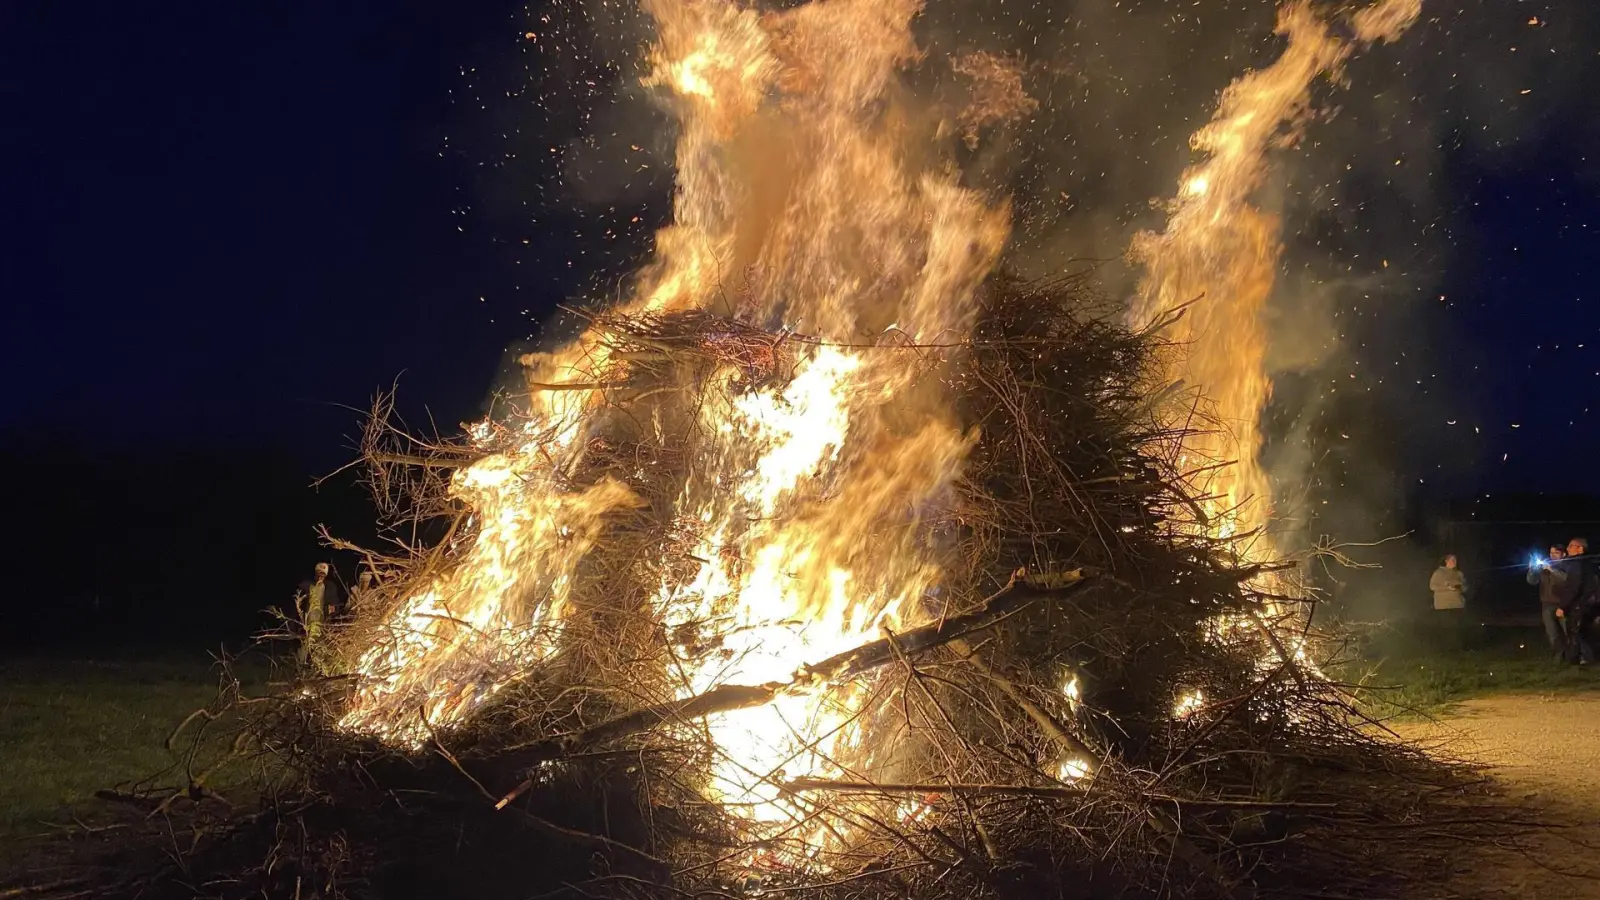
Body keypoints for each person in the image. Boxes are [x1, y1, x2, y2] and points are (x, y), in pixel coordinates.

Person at [294, 562, 344, 666]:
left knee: (320, 645)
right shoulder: (306, 585)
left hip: (322, 622)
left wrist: (334, 609)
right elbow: (297, 602)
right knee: (304, 645)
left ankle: (317, 667)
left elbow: (336, 604)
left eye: (323, 574)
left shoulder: (330, 587)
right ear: (315, 573)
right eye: (319, 573)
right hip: (307, 622)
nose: (320, 576)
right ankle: (300, 667)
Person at [1560, 538, 1599, 665]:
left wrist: (1563, 606)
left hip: (1581, 604)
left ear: (1580, 549)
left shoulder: (1577, 564)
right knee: (1583, 632)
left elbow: (1573, 587)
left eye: (1571, 546)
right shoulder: (1587, 563)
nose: (1568, 548)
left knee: (1577, 632)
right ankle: (1581, 658)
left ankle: (1584, 659)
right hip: (1589, 603)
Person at [1528, 546, 1569, 655]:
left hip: (1564, 604)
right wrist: (1532, 570)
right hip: (1547, 604)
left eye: (1556, 552)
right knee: (1552, 633)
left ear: (1563, 554)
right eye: (1551, 553)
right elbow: (1532, 581)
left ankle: (1574, 655)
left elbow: (1567, 579)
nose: (1552, 555)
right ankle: (1559, 655)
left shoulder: (1567, 566)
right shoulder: (1544, 569)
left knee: (1568, 631)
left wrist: (1552, 569)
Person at [1429, 554, 1468, 648]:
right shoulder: (1439, 573)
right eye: (1451, 559)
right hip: (1443, 605)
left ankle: (1458, 647)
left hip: (1458, 604)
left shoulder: (1459, 573)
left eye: (1455, 559)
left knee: (1458, 628)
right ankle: (1446, 648)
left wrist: (1460, 587)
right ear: (1446, 561)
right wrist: (1447, 588)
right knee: (1446, 628)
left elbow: (1465, 587)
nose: (1454, 561)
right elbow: (1432, 586)